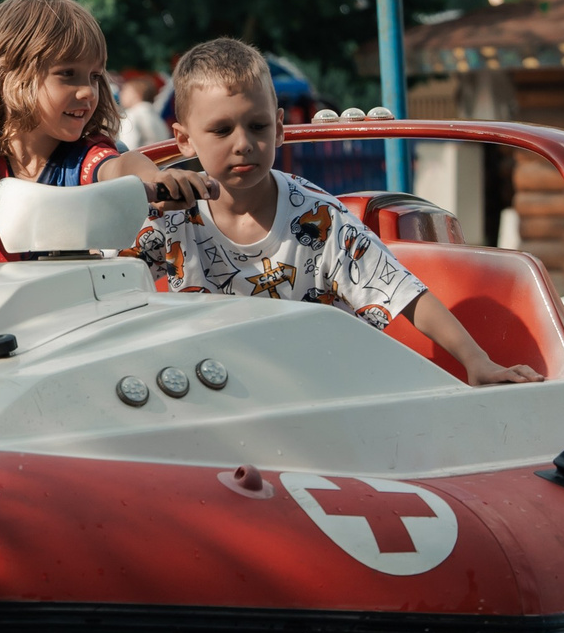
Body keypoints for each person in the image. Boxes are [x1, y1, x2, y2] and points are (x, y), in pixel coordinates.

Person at [135, 38, 532, 385]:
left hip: (321, 387)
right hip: (216, 389)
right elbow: (100, 280)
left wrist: (477, 362)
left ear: (279, 128)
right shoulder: (168, 214)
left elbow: (400, 289)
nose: (244, 144)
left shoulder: (319, 217)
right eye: (222, 130)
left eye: (257, 127)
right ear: (185, 140)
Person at [0, 0, 210, 264]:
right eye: (67, 74)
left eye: (94, 76)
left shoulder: (82, 155)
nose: (88, 92)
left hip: (61, 313)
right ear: (10, 76)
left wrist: (157, 178)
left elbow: (117, 166)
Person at [116, 73, 171, 152]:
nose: (121, 94)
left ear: (136, 94)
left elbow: (128, 148)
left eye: (125, 91)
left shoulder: (132, 115)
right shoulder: (155, 115)